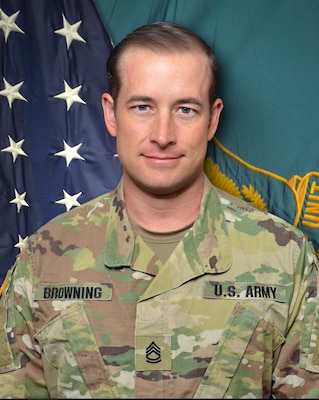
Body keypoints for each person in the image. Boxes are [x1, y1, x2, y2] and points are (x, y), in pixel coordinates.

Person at [0, 21, 318, 399]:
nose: (163, 135)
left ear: (212, 119)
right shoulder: (43, 261)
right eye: (142, 106)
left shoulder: (288, 259)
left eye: (185, 109)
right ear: (111, 113)